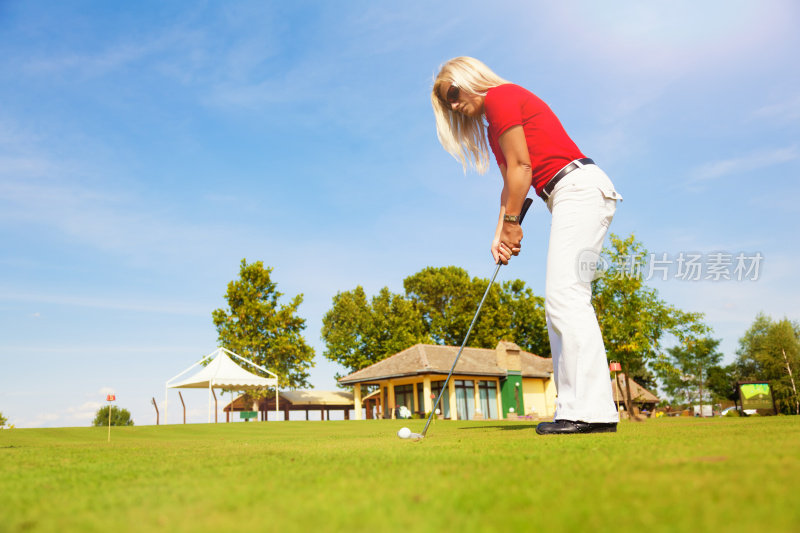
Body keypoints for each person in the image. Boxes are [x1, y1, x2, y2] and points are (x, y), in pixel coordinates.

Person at [431, 57, 621, 435]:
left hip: (578, 187)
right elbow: (510, 183)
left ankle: (591, 412)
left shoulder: (501, 96)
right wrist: (500, 231)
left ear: (470, 79)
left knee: (566, 297)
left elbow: (523, 169)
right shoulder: (492, 125)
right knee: (561, 300)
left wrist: (514, 223)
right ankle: (580, 409)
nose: (453, 105)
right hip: (563, 194)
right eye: (446, 102)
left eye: (453, 93)